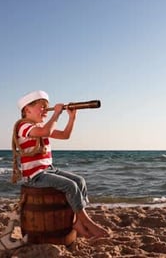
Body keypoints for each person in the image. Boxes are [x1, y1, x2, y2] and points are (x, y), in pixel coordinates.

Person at [11, 90, 109, 239]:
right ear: (27, 110)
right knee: (70, 186)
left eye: (46, 107)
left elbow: (65, 135)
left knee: (80, 181)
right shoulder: (24, 127)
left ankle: (77, 221)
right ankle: (87, 222)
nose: (45, 110)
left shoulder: (41, 127)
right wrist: (56, 113)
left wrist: (72, 118)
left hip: (48, 170)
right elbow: (46, 130)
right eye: (41, 106)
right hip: (35, 176)